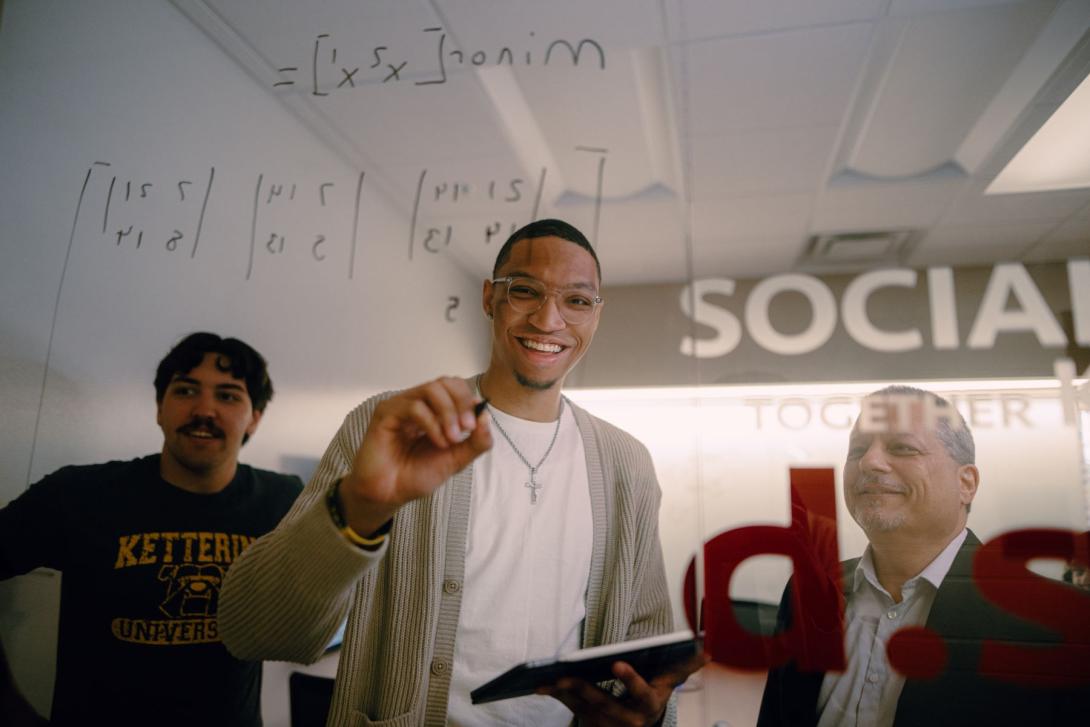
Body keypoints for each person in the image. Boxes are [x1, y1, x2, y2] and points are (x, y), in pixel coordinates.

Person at [219, 219, 702, 726]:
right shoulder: (393, 427)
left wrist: (650, 713)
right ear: (490, 298)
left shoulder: (627, 463)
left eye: (577, 301)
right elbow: (254, 631)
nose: (549, 319)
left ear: (596, 316)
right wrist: (360, 508)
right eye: (525, 291)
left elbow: (647, 647)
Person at [0, 332, 303, 726]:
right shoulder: (78, 495)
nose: (204, 410)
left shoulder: (286, 502)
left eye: (228, 396)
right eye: (186, 390)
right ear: (160, 407)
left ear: (254, 419)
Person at [757, 385, 1085, 726]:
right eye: (857, 449)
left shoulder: (1059, 622)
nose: (869, 461)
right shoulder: (808, 594)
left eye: (902, 448)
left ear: (966, 483)